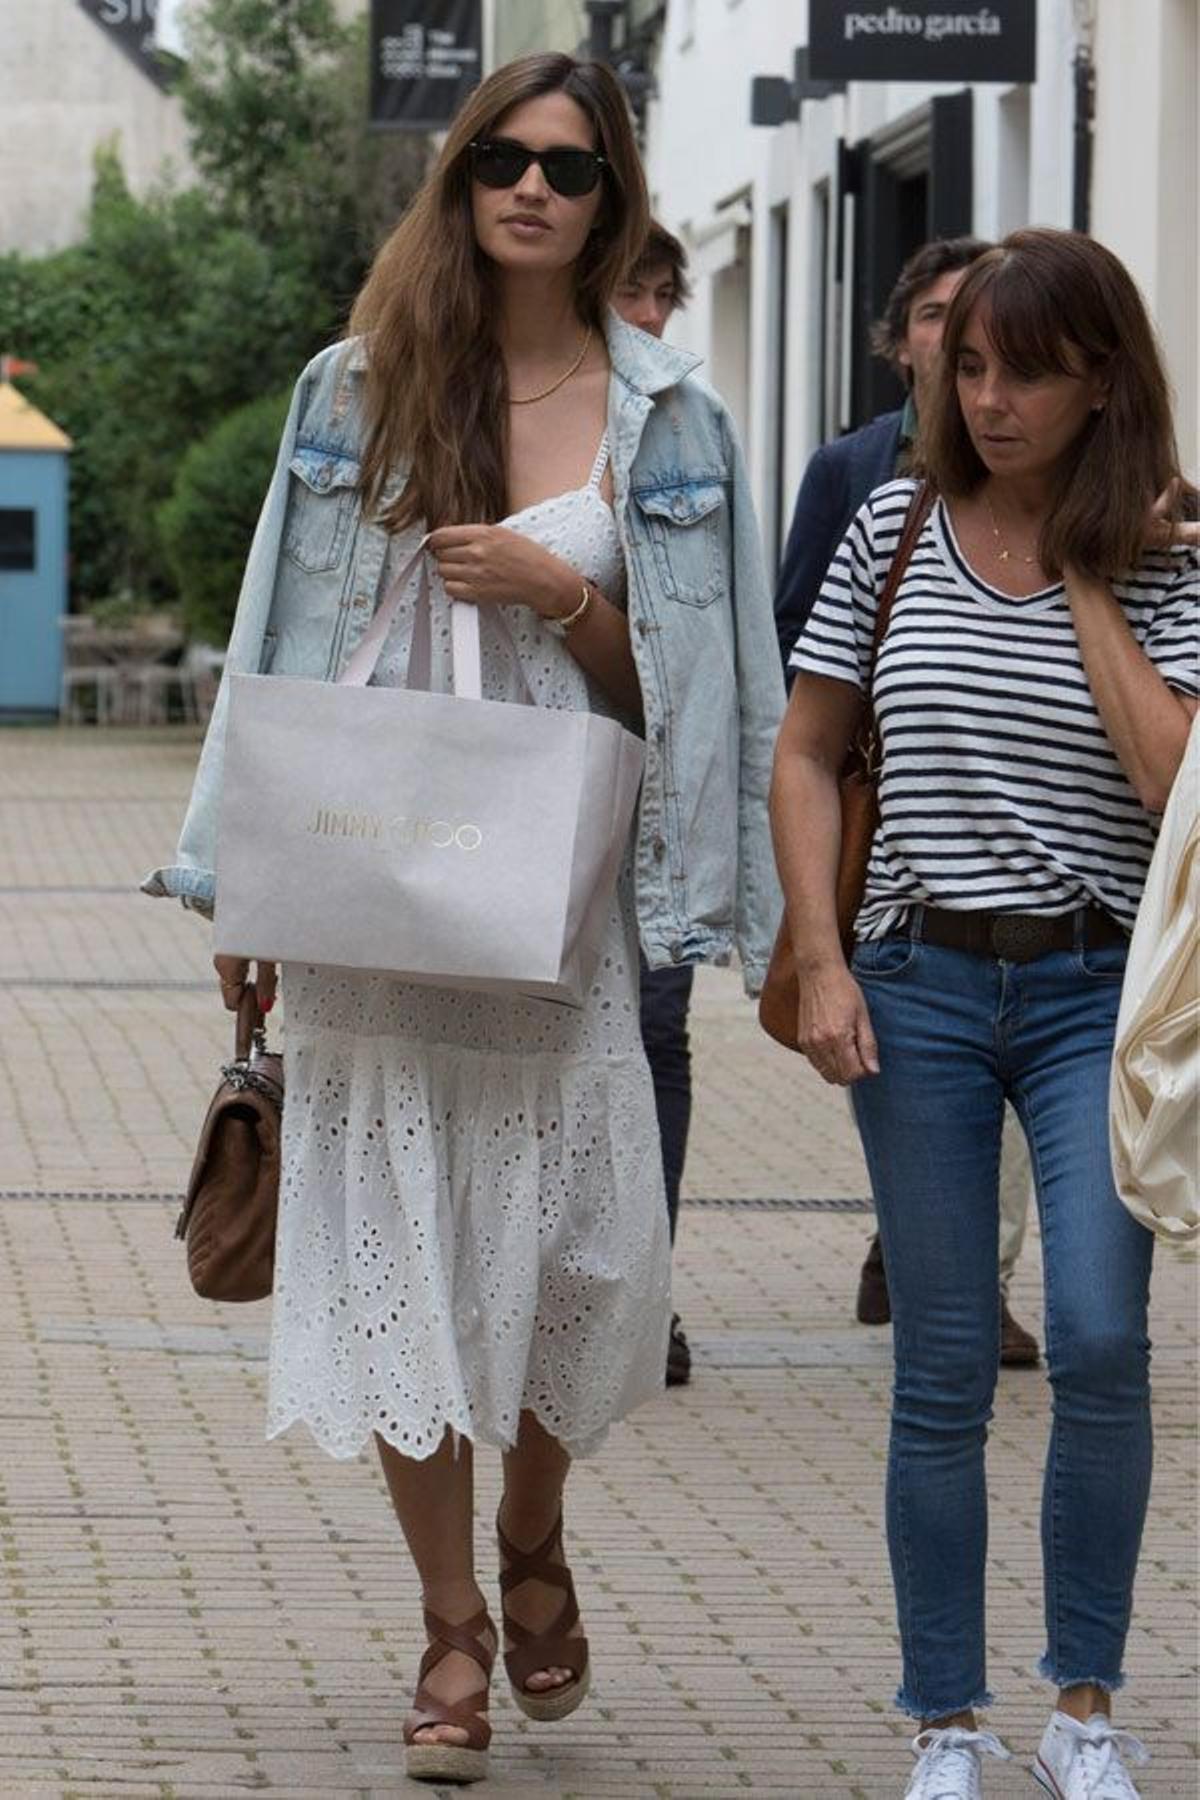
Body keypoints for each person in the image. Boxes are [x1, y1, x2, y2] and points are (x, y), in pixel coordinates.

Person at [144, 52, 783, 1787]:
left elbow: (709, 697)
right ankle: (450, 1630)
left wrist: (568, 594)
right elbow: (282, 639)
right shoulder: (352, 391)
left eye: (568, 170)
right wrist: (238, 879)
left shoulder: (675, 420)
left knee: (576, 1273)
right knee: (402, 1274)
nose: (530, 189)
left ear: (612, 201)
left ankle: (534, 1525)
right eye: (499, 156)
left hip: (558, 911)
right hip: (369, 895)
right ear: (460, 175)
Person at [771, 227, 1197, 1798]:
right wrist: (820, 953)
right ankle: (945, 1722)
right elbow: (809, 752)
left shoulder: (1168, 560)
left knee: (1097, 1336)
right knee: (944, 1363)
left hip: (1101, 990)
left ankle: (1085, 1707)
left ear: (1104, 379)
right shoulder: (893, 525)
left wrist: (1088, 563)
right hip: (920, 985)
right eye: (971, 366)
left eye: (1028, 368)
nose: (993, 396)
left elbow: (1172, 781)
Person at [775, 235, 1039, 1368]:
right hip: (896, 853)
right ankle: (927, 1242)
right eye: (939, 323)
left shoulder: (1136, 527)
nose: (969, 367)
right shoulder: (858, 480)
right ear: (902, 345)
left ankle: (978, 1269)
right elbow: (802, 655)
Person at [612, 218, 697, 1386]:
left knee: (659, 1039)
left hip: (653, 807)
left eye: (663, 297)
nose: (647, 315)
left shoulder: (687, 434)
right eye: (633, 290)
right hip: (519, 803)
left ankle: (649, 1290)